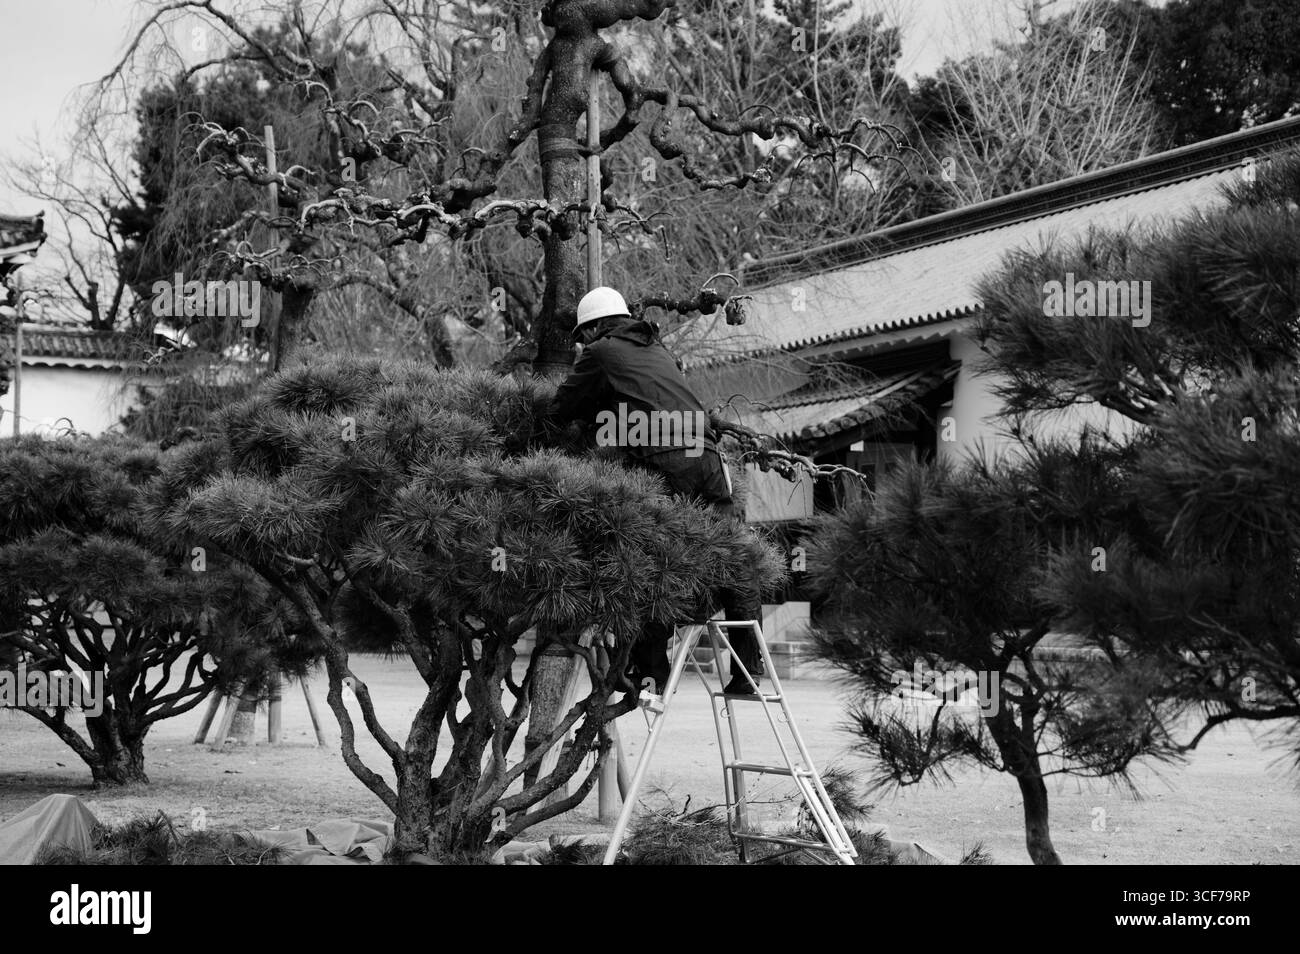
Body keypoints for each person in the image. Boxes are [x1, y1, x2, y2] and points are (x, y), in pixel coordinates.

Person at [545, 286, 764, 696]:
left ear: (593, 328)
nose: (581, 345)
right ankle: (747, 672)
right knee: (735, 554)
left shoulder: (600, 352)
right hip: (710, 457)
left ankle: (651, 673)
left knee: (649, 557)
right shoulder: (656, 348)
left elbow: (563, 406)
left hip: (665, 457)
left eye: (582, 337)